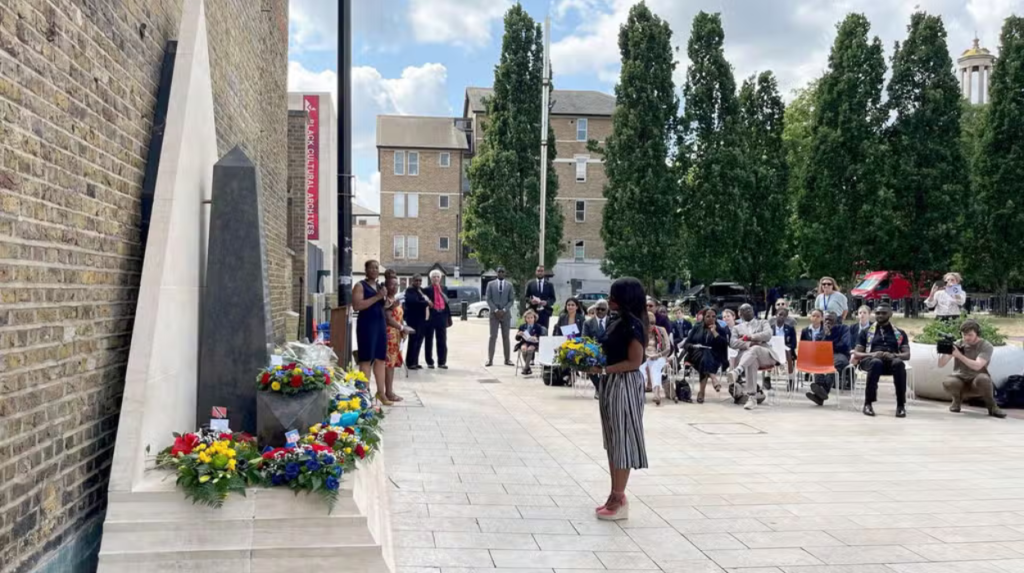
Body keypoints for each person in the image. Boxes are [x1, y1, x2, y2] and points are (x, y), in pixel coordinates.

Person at [591, 277, 648, 521]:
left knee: (622, 440)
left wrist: (604, 370)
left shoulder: (633, 325)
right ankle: (615, 494)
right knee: (613, 440)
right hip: (611, 384)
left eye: (614, 295)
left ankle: (619, 496)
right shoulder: (617, 321)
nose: (610, 299)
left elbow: (635, 362)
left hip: (624, 383)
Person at [939, 319, 1006, 418]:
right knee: (949, 382)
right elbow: (941, 364)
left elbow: (978, 365)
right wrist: (945, 350)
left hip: (976, 379)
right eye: (964, 335)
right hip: (960, 377)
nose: (966, 338)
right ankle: (957, 400)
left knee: (984, 379)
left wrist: (959, 356)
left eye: (970, 335)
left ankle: (992, 406)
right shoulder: (958, 344)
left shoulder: (985, 346)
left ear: (977, 334)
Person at [853, 303, 910, 418]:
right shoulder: (866, 332)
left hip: (891, 361)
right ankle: (868, 403)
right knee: (876, 363)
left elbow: (907, 355)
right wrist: (872, 354)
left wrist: (893, 355)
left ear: (890, 314)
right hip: (870, 360)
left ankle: (900, 405)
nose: (880, 315)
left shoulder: (899, 333)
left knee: (899, 364)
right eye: (878, 313)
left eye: (883, 313)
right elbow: (857, 353)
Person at [726, 304, 781, 410]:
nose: (748, 311)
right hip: (748, 358)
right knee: (752, 359)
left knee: (755, 349)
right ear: (739, 314)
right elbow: (733, 343)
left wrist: (750, 337)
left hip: (765, 355)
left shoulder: (763, 322)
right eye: (745, 310)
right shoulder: (736, 328)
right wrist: (749, 344)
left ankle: (737, 371)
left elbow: (768, 334)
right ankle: (752, 398)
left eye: (750, 309)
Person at [352, 260, 389, 404]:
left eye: (376, 268)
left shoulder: (380, 286)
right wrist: (377, 297)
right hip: (366, 326)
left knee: (380, 359)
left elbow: (381, 305)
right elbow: (357, 306)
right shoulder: (360, 286)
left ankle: (381, 393)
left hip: (380, 325)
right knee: (366, 359)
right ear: (366, 270)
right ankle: (364, 394)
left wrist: (387, 302)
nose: (374, 270)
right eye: (371, 268)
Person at [804, 311, 851, 406]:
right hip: (826, 355)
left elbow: (844, 345)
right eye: (826, 320)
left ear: (836, 320)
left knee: (833, 364)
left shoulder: (844, 329)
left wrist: (829, 338)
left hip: (841, 355)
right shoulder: (822, 332)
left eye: (830, 320)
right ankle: (820, 394)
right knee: (817, 362)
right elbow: (818, 347)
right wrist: (826, 335)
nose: (828, 322)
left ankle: (822, 391)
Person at [684, 308, 730, 403]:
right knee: (704, 353)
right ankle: (713, 378)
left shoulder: (720, 329)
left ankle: (701, 392)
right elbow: (686, 344)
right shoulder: (697, 327)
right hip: (695, 355)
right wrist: (694, 346)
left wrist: (714, 332)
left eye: (713, 316)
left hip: (714, 357)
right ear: (703, 317)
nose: (711, 318)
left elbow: (724, 345)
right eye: (708, 316)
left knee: (705, 357)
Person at [383, 275, 413, 403]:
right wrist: (402, 328)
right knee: (389, 364)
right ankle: (388, 392)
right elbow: (388, 319)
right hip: (389, 335)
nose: (395, 287)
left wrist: (402, 331)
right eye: (392, 284)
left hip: (397, 335)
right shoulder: (386, 301)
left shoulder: (395, 299)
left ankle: (390, 390)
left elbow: (399, 317)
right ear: (386, 286)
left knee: (393, 364)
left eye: (397, 285)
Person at [485, 267, 515, 367]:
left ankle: (507, 359)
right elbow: (488, 299)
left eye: (503, 272)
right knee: (492, 336)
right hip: (494, 314)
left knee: (506, 337)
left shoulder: (509, 285)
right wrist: (496, 310)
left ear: (505, 273)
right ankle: (490, 359)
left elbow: (511, 300)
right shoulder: (490, 284)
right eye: (499, 272)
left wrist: (504, 310)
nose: (501, 273)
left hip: (505, 314)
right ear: (496, 273)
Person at [423, 269, 451, 370]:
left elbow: (447, 300)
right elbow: (424, 301)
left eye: (437, 276)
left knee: (442, 340)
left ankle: (442, 362)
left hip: (442, 315)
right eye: (434, 277)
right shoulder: (426, 289)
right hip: (431, 316)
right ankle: (430, 362)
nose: (436, 278)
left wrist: (440, 291)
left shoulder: (444, 288)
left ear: (440, 278)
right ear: (430, 278)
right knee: (429, 340)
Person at [644, 311, 673, 404]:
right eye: (647, 323)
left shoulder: (661, 330)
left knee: (655, 366)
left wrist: (658, 355)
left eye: (652, 323)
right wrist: (646, 355)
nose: (650, 325)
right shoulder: (640, 331)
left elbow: (668, 348)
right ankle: (641, 393)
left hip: (659, 356)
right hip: (644, 357)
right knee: (641, 367)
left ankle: (656, 393)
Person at [583, 300, 610, 398]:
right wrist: (593, 349)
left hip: (609, 351)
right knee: (586, 363)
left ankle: (605, 388)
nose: (600, 311)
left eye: (602, 309)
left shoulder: (611, 321)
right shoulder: (588, 323)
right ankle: (599, 388)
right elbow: (584, 339)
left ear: (607, 310)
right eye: (597, 309)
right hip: (593, 350)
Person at [403, 274, 430, 370]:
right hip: (413, 319)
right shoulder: (410, 290)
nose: (418, 282)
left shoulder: (421, 290)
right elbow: (414, 302)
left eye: (420, 281)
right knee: (413, 340)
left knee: (419, 340)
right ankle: (410, 362)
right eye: (416, 280)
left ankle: (415, 361)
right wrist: (426, 302)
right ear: (412, 281)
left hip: (421, 319)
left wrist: (424, 300)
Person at [524, 265, 556, 334]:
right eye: (538, 271)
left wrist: (546, 302)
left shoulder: (549, 285)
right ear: (536, 272)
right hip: (533, 313)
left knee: (544, 332)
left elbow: (553, 299)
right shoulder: (530, 284)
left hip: (545, 312)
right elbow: (526, 297)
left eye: (541, 271)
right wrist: (531, 301)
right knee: (532, 332)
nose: (540, 272)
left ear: (544, 272)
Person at [515, 309, 546, 375]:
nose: (529, 319)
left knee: (530, 349)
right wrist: (518, 334)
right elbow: (517, 339)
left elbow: (541, 337)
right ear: (525, 319)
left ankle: (525, 368)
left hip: (534, 343)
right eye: (528, 318)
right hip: (525, 342)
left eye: (531, 318)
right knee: (523, 349)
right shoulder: (522, 326)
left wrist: (536, 338)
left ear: (534, 318)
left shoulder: (538, 327)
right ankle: (528, 368)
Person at [772, 307, 797, 382]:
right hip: (773, 350)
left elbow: (794, 344)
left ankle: (790, 378)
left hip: (786, 351)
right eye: (780, 314)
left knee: (788, 351)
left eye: (784, 315)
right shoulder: (770, 328)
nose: (781, 317)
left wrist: (785, 347)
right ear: (776, 315)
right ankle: (767, 377)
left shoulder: (790, 329)